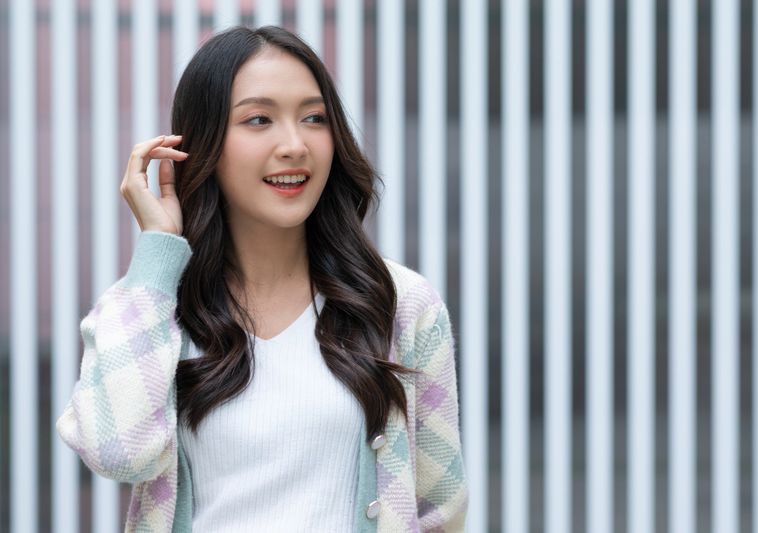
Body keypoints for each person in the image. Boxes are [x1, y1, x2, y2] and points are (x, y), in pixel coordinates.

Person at [56, 25, 467, 532]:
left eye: (314, 118)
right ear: (202, 143)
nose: (294, 145)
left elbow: (441, 508)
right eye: (259, 119)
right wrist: (157, 252)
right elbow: (119, 453)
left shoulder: (400, 303)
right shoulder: (151, 305)